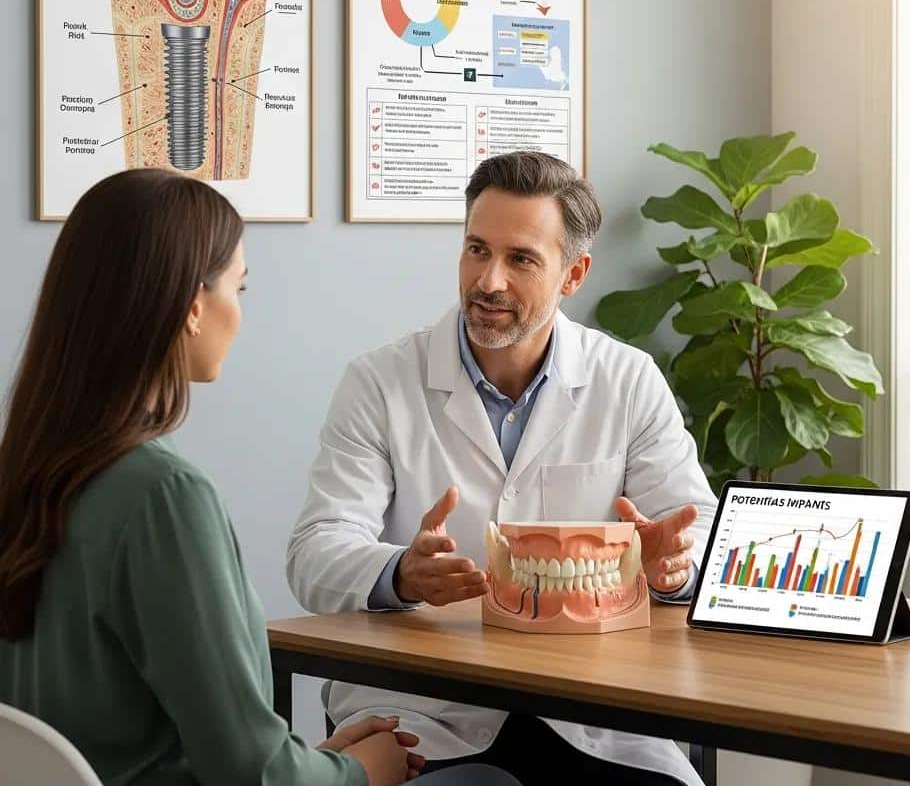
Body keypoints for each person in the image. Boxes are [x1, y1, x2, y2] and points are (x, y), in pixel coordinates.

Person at [0, 170, 520, 786]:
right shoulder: (162, 498)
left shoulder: (27, 472)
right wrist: (360, 773)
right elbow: (252, 771)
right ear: (194, 307)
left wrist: (325, 762)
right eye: (238, 287)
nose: (240, 312)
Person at [287, 152, 718, 786]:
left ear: (574, 274)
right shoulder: (379, 382)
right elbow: (315, 553)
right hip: (425, 711)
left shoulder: (627, 380)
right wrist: (401, 573)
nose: (488, 281)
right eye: (476, 250)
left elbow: (698, 528)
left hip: (594, 710)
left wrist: (671, 569)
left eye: (520, 259)